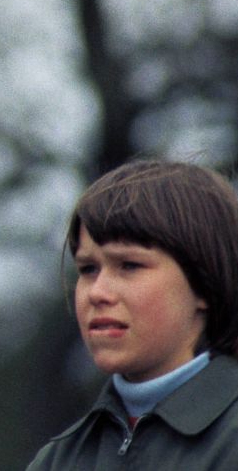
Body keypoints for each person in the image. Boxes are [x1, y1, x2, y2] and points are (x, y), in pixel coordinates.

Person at [27, 160, 238, 469]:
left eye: (129, 265)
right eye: (88, 269)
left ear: (204, 283)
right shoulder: (59, 459)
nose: (97, 292)